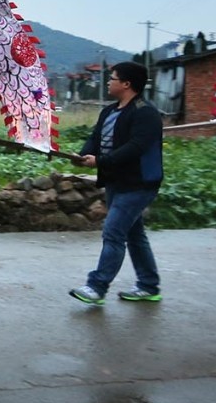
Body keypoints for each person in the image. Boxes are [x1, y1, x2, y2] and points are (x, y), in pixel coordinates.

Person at [69, 61, 163, 306]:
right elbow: (95, 137)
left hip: (139, 183)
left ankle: (97, 286)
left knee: (113, 232)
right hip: (116, 181)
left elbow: (135, 148)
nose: (108, 82)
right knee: (134, 234)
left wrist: (99, 161)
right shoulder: (110, 111)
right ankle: (148, 285)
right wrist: (83, 156)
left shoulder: (146, 113)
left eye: (112, 78)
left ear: (126, 84)